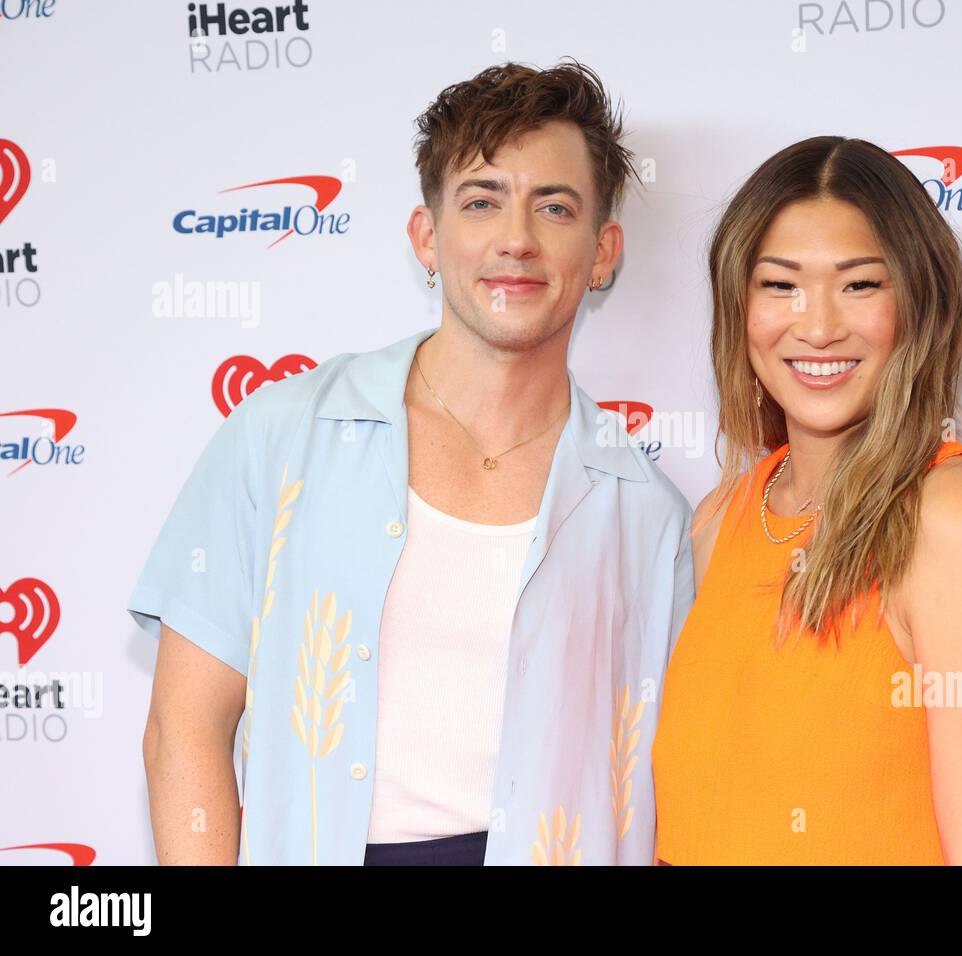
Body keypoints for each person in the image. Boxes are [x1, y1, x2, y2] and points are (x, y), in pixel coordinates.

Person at [130, 59, 693, 866]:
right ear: (428, 238)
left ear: (603, 252)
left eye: (555, 207)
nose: (516, 240)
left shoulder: (648, 514)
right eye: (481, 201)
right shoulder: (283, 435)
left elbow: (666, 788)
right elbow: (183, 730)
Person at [651, 136, 962, 865]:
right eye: (780, 285)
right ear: (737, 307)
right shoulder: (722, 516)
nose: (816, 325)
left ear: (921, 304)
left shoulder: (955, 523)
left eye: (860, 285)